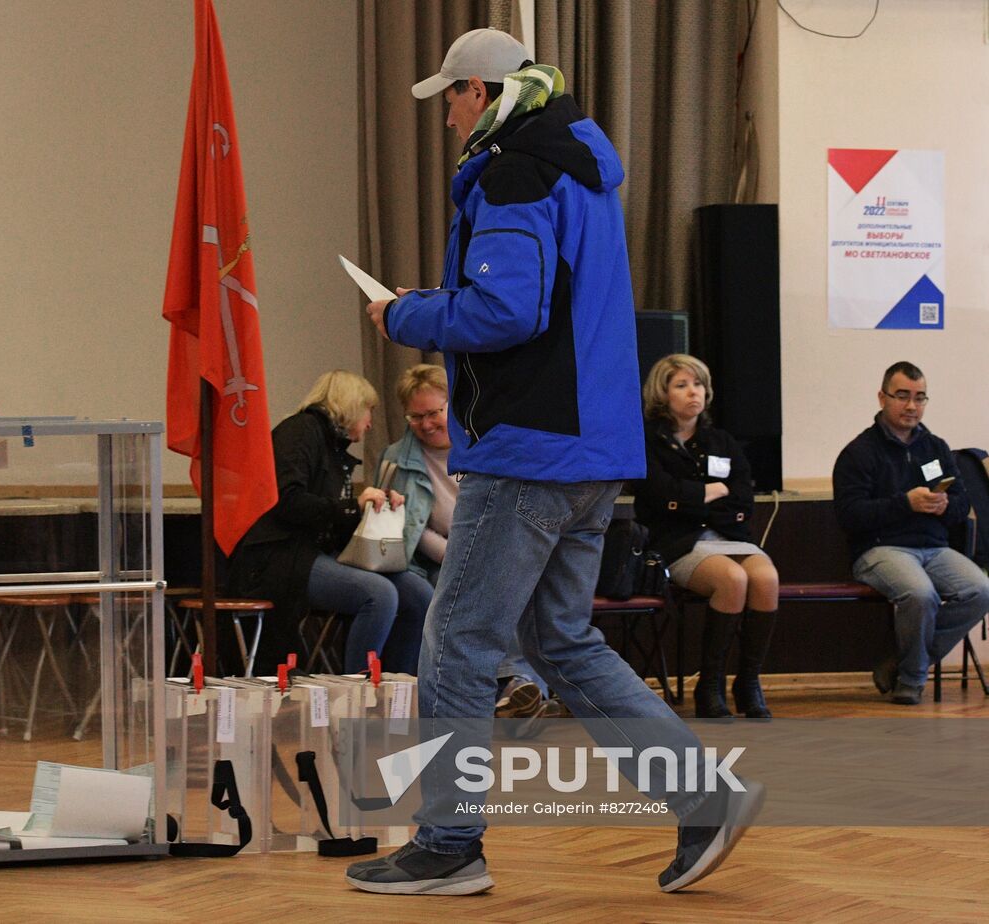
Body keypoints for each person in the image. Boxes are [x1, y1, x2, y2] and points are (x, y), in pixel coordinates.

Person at [346, 27, 763, 896]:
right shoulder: (580, 167)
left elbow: (506, 310)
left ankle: (449, 843)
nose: (448, 117)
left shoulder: (513, 169)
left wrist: (409, 315)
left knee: (458, 638)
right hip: (591, 450)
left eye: (453, 97)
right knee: (560, 639)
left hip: (528, 450)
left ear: (485, 94)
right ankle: (700, 800)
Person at [227, 370, 432, 673]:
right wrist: (352, 506)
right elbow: (286, 501)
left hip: (318, 552)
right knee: (379, 594)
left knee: (419, 593)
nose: (370, 422)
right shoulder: (298, 432)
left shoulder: (333, 447)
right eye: (369, 411)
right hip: (280, 557)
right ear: (351, 405)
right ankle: (360, 694)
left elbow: (335, 512)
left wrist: (374, 507)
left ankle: (402, 685)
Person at [382, 363, 554, 722]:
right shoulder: (398, 459)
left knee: (514, 587)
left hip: (501, 549)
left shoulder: (486, 444)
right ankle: (518, 687)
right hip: (436, 562)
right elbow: (407, 528)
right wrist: (458, 554)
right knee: (490, 591)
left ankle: (511, 690)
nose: (426, 424)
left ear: (453, 404)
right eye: (415, 417)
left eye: (433, 413)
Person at [833, 361, 989, 706]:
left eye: (920, 398)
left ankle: (903, 663)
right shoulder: (858, 453)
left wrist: (944, 505)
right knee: (920, 594)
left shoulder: (935, 447)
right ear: (882, 397)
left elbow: (963, 505)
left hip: (934, 548)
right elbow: (849, 515)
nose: (911, 406)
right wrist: (906, 503)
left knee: (981, 589)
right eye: (902, 396)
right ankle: (912, 679)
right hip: (879, 550)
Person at [632, 354, 780, 719]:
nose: (692, 392)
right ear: (662, 394)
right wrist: (709, 494)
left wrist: (692, 498)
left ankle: (748, 681)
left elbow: (743, 497)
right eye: (681, 385)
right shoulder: (647, 441)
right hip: (677, 542)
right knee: (732, 578)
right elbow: (658, 494)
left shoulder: (721, 441)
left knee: (766, 578)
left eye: (697, 384)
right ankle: (709, 685)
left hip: (729, 537)